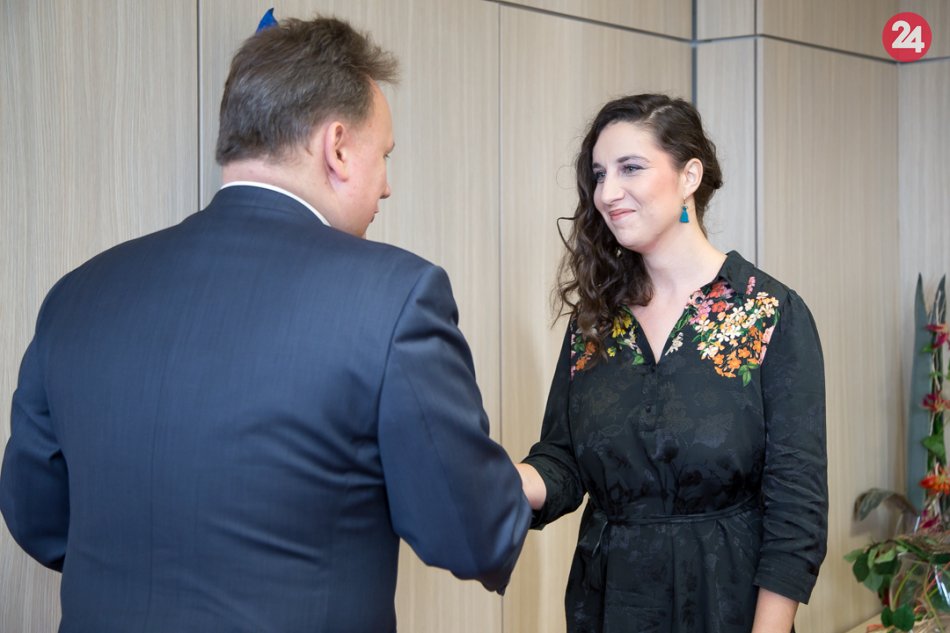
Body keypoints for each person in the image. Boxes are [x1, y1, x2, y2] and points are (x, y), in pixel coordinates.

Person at [0, 15, 530, 633]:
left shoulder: (76, 295)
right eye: (383, 156)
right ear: (337, 147)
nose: (386, 187)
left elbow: (36, 516)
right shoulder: (396, 297)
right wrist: (529, 481)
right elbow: (470, 535)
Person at [515, 94, 827, 633]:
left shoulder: (768, 312)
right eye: (599, 174)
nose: (607, 193)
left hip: (726, 604)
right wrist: (493, 479)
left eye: (630, 168)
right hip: (609, 605)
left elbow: (796, 509)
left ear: (689, 176)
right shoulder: (595, 321)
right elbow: (563, 462)